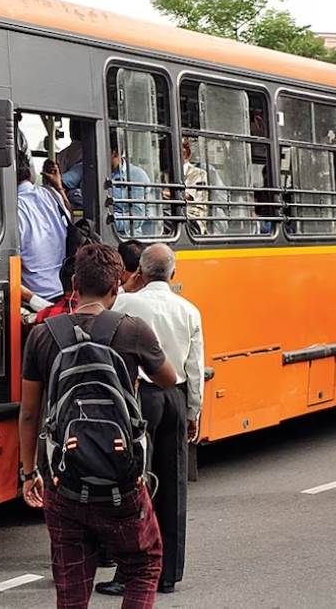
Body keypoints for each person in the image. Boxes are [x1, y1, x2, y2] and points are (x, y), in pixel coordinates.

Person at [19, 243, 178, 609]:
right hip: (122, 480)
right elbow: (169, 379)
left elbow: (29, 413)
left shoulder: (44, 335)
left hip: (63, 480)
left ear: (74, 284)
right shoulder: (132, 330)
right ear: (116, 288)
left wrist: (29, 474)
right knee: (144, 563)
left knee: (72, 585)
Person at [97, 244, 204, 596]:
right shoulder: (189, 310)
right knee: (173, 484)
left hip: (140, 396)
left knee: (135, 484)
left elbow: (110, 310)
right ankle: (169, 573)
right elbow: (195, 368)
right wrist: (193, 411)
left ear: (139, 272)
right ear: (173, 273)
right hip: (175, 395)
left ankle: (131, 572)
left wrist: (130, 285)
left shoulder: (128, 303)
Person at [17, 150, 68, 301]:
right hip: (63, 288)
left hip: (36, 297)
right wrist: (59, 187)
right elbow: (69, 219)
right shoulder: (51, 194)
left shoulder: (13, 210)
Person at [111, 150, 152, 236]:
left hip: (126, 237)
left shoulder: (137, 175)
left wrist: (107, 221)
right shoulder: (90, 169)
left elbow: (136, 218)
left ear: (115, 154)